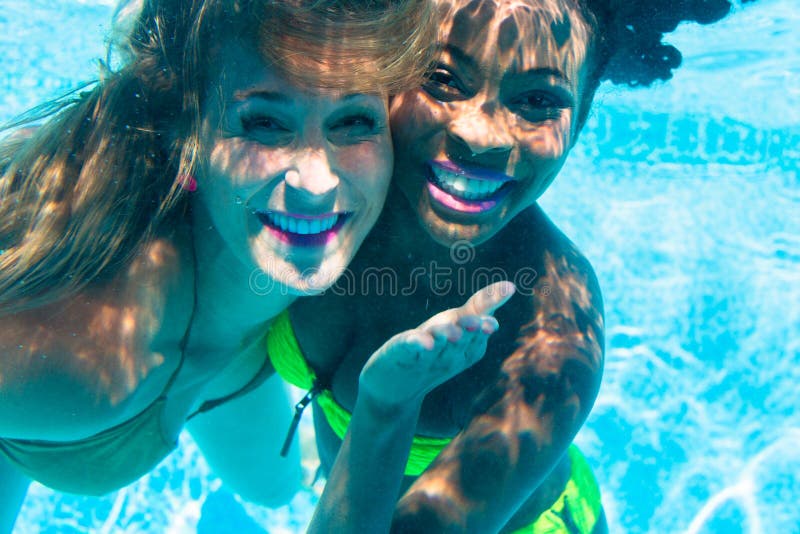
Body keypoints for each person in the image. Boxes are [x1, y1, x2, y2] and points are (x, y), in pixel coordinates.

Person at [286, 0, 744, 531]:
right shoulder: (311, 194)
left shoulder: (555, 336)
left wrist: (387, 408)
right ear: (385, 67)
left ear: (583, 119)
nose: (481, 135)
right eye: (441, 78)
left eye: (536, 100)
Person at [0, 0, 443, 530]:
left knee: (275, 489)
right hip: (60, 418)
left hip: (234, 352)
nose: (318, 183)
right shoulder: (64, 347)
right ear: (186, 132)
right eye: (264, 124)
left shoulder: (394, 188)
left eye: (352, 120)